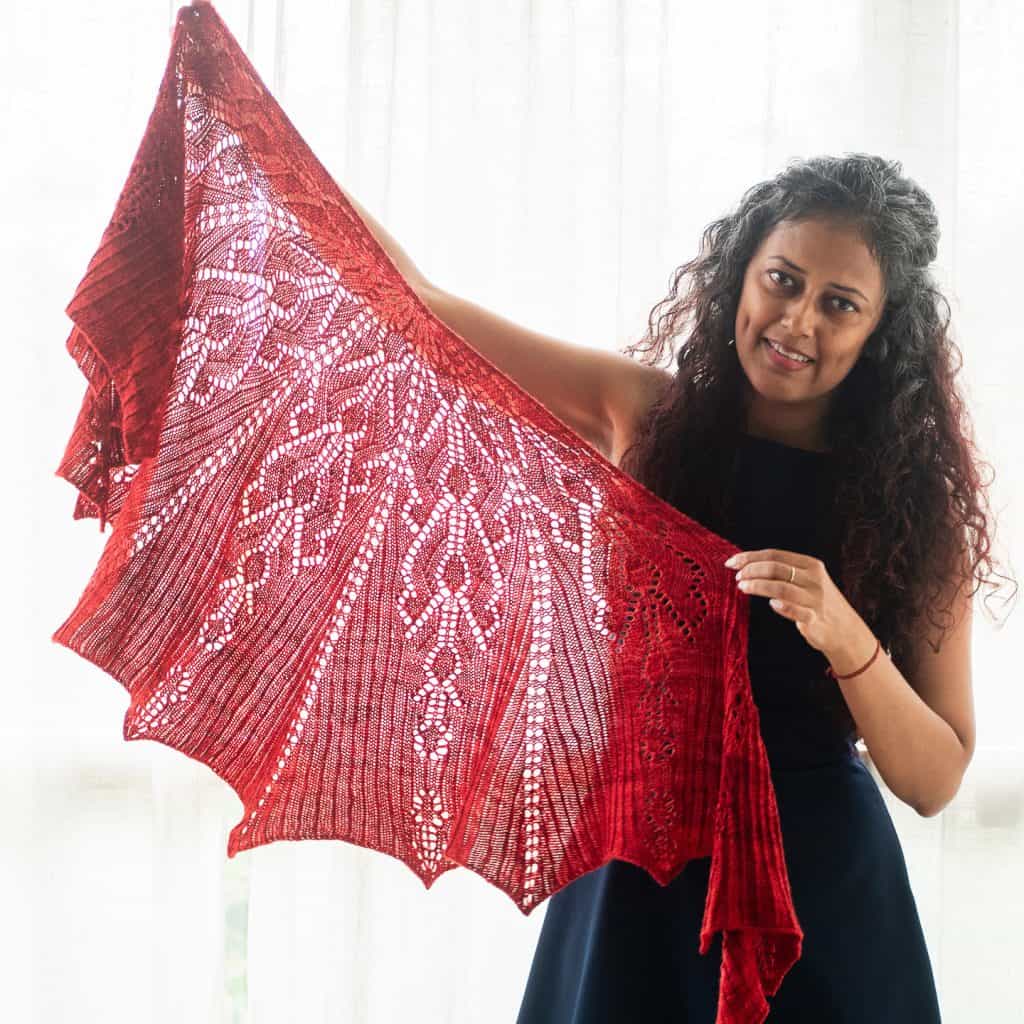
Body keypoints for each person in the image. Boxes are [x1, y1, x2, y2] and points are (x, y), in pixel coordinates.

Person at [341, 154, 1009, 1021]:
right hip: (634, 873)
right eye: (783, 280)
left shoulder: (915, 511)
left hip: (816, 896)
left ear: (881, 331)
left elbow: (934, 780)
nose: (797, 321)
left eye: (840, 303)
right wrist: (249, 118)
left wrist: (845, 635)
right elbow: (419, 308)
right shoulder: (641, 414)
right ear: (741, 274)